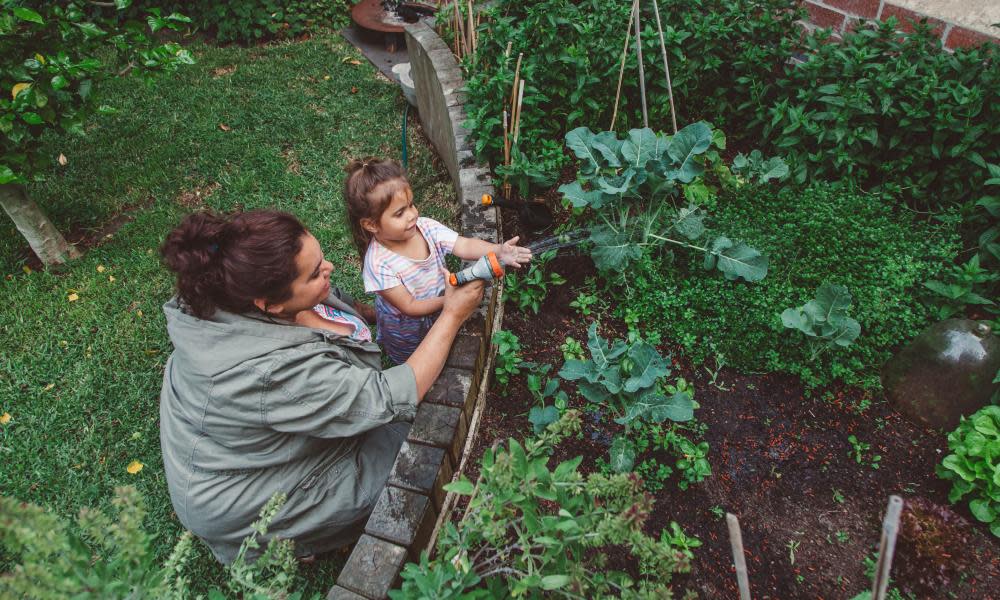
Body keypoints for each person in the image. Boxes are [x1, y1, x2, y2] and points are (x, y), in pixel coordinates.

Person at [158, 209, 483, 564]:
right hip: (239, 499)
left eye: (321, 257)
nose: (328, 267)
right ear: (270, 304)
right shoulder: (271, 373)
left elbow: (338, 309)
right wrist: (452, 315)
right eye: (315, 273)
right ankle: (271, 543)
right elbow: (387, 397)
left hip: (246, 448)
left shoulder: (234, 289)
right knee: (406, 453)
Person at [343, 158, 531, 364]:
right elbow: (410, 306)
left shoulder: (426, 228)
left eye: (411, 205)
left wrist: (498, 250)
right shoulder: (378, 264)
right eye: (399, 213)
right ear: (371, 224)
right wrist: (449, 302)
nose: (412, 215)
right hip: (406, 332)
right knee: (418, 360)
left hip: (439, 306)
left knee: (442, 345)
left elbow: (465, 245)